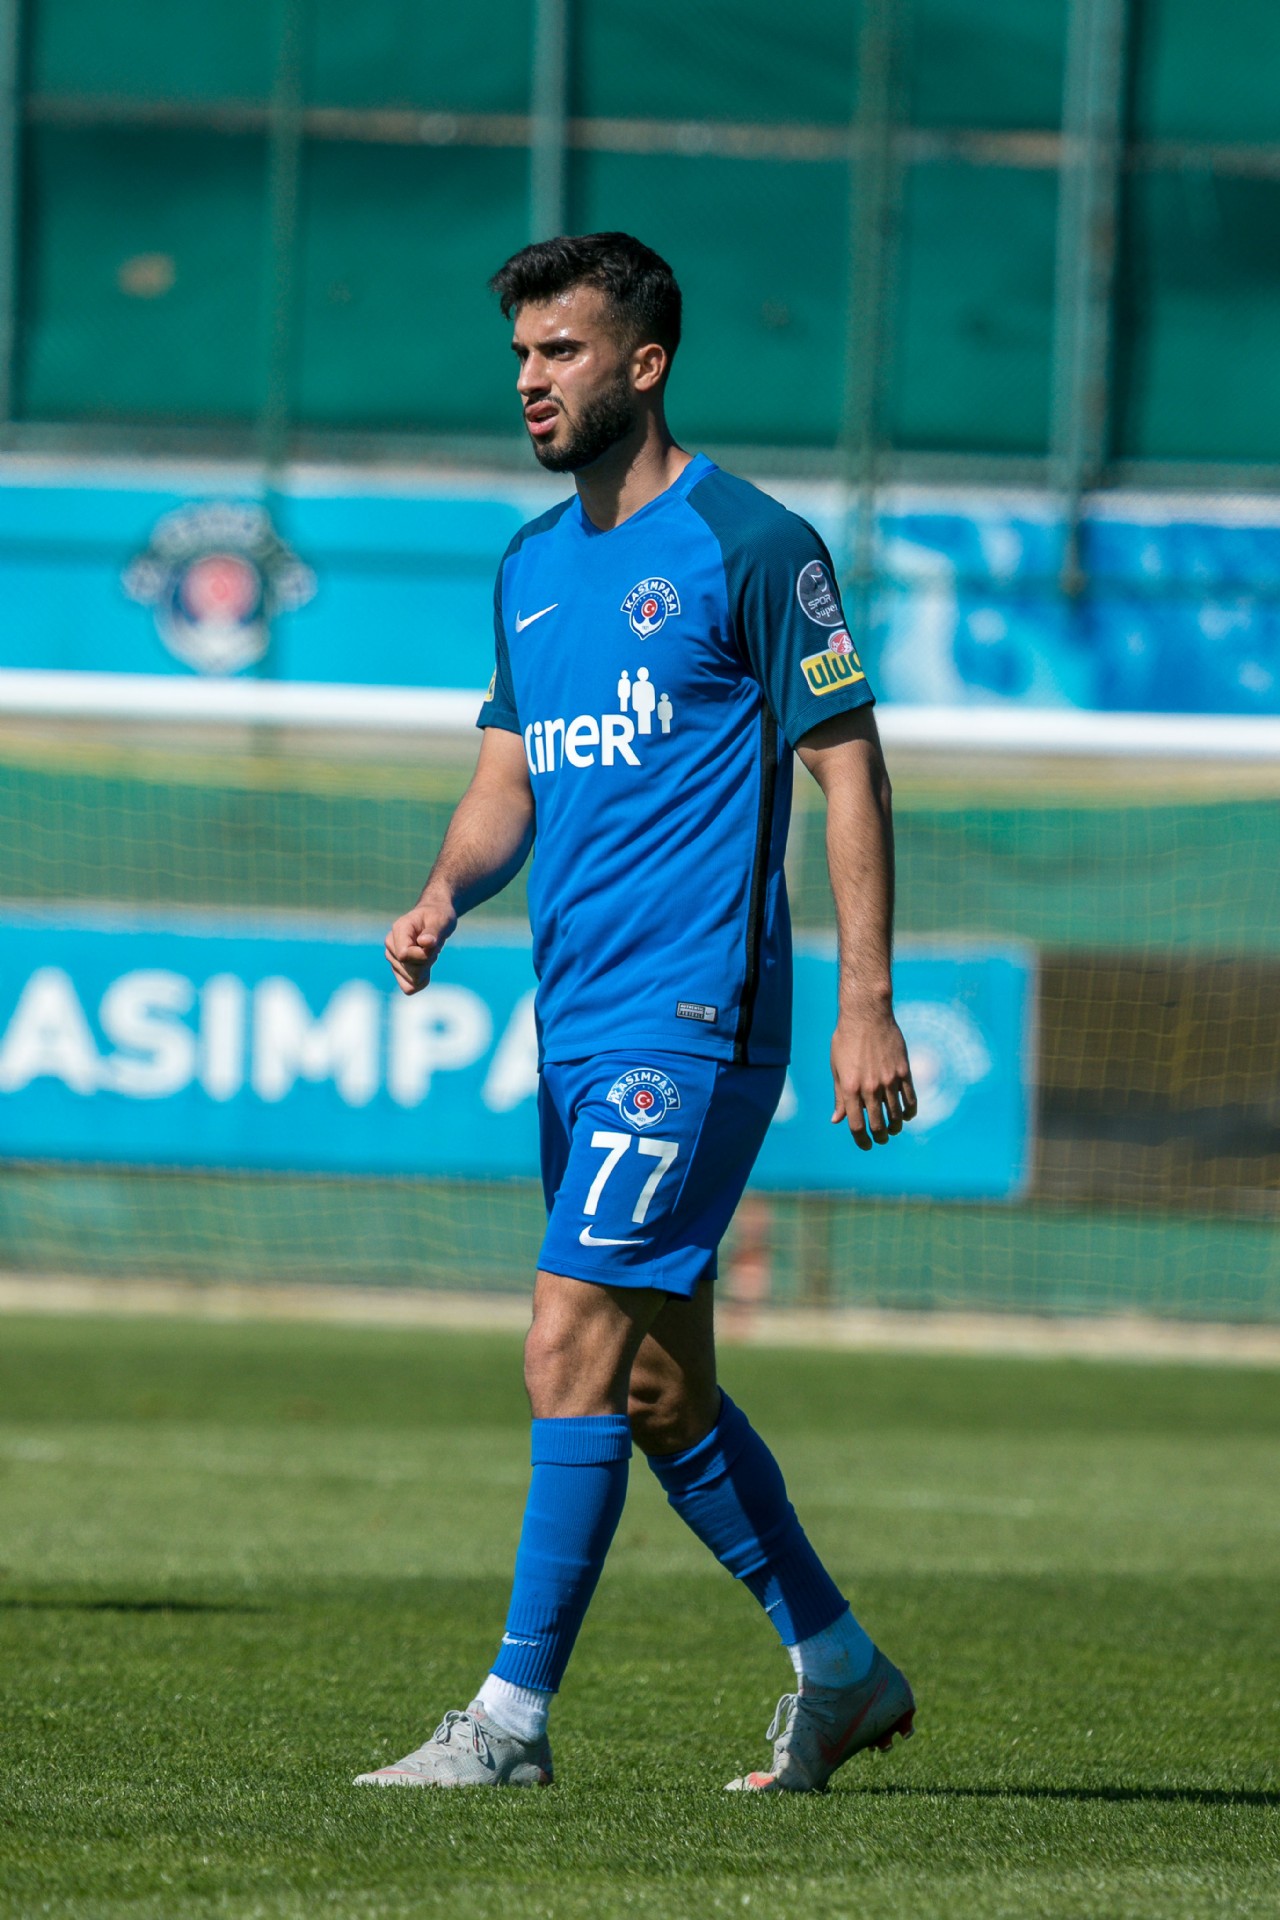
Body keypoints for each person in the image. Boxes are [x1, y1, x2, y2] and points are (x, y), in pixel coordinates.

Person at [359, 232, 918, 1795]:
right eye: (521, 355)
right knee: (662, 1389)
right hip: (579, 1025)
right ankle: (842, 1670)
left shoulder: (754, 544)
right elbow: (508, 778)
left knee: (567, 1339)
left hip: (697, 1018)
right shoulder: (530, 565)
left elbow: (851, 770)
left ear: (646, 362)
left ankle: (508, 1724)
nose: (530, 381)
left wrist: (869, 1002)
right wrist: (446, 890)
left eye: (562, 352)